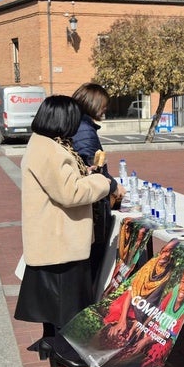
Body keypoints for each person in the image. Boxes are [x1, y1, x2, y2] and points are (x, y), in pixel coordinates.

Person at [14, 95, 111, 367]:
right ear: (63, 119)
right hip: (60, 238)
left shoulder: (46, 144)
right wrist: (101, 181)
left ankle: (51, 343)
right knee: (68, 301)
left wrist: (86, 173)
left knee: (56, 298)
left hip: (54, 235)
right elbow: (71, 193)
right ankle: (65, 350)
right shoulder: (50, 150)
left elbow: (65, 183)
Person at [71, 82, 126, 295]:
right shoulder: (84, 129)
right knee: (93, 262)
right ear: (93, 103)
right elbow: (93, 169)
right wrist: (113, 185)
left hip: (91, 202)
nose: (106, 109)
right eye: (103, 104)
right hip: (94, 206)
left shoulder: (80, 125)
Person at [103, 240, 178, 340]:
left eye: (170, 251)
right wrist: (122, 320)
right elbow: (131, 291)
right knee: (116, 315)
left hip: (145, 312)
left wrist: (142, 323)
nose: (165, 254)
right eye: (164, 251)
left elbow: (157, 304)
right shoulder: (150, 266)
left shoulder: (168, 275)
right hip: (131, 304)